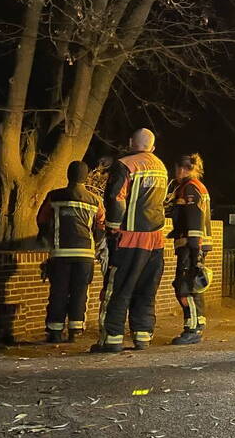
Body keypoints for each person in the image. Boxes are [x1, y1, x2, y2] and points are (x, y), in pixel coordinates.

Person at [93, 128, 169, 353]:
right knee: (146, 290)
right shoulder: (162, 167)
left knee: (118, 289)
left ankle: (112, 339)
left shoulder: (125, 164)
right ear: (152, 147)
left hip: (129, 238)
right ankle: (143, 336)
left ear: (130, 142)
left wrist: (113, 227)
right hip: (156, 239)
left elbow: (117, 197)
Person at [36, 160, 105, 343]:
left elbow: (42, 218)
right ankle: (76, 330)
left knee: (58, 291)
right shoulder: (95, 200)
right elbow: (101, 226)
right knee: (80, 291)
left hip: (60, 252)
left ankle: (55, 331)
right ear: (85, 176)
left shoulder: (55, 196)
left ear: (68, 175)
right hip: (85, 254)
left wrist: (46, 236)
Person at [167, 153, 212, 345]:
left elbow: (194, 221)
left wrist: (196, 254)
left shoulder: (190, 188)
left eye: (176, 169)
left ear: (183, 168)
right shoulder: (191, 187)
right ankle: (197, 324)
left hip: (190, 246)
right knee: (193, 286)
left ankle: (192, 328)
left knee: (184, 287)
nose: (175, 173)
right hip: (192, 246)